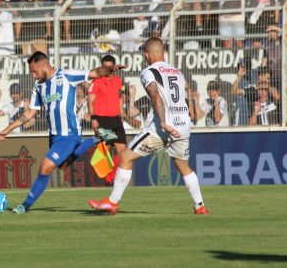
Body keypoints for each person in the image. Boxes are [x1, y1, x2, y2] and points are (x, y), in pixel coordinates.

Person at [88, 37, 210, 215]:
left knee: (125, 158)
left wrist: (163, 122)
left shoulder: (148, 72)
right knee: (184, 167)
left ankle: (112, 203)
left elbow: (155, 96)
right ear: (163, 52)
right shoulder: (177, 72)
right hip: (183, 126)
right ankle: (200, 206)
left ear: (146, 55)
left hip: (163, 128)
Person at [0, 51, 121, 214]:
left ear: (43, 65)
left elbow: (95, 73)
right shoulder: (39, 87)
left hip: (69, 134)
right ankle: (97, 139)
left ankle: (24, 206)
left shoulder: (67, 75)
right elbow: (29, 113)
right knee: (63, 165)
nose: (33, 75)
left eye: (34, 71)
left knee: (45, 166)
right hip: (55, 136)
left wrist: (110, 70)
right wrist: (7, 129)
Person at [87, 55, 127, 183]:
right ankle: (105, 180)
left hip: (115, 120)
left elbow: (119, 97)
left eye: (110, 67)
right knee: (105, 151)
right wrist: (93, 119)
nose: (108, 69)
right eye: (105, 67)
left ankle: (116, 179)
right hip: (102, 120)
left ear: (114, 67)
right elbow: (90, 101)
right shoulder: (96, 81)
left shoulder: (118, 80)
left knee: (123, 153)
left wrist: (122, 112)